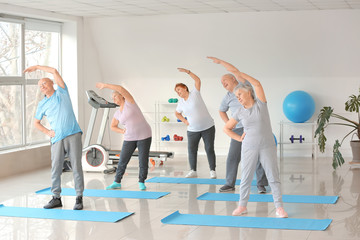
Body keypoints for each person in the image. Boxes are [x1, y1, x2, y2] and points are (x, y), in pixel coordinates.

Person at [208, 57, 288, 218]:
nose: (238, 97)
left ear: (249, 92)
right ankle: (242, 206)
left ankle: (279, 208)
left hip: (267, 146)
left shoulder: (261, 104)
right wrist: (239, 139)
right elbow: (226, 128)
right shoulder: (239, 112)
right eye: (236, 96)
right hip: (249, 146)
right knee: (245, 178)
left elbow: (257, 83)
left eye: (240, 94)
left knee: (273, 177)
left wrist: (235, 71)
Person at [24, 65, 84, 210]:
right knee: (56, 168)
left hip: (73, 134)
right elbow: (36, 123)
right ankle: (56, 197)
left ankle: (79, 197)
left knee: (76, 166)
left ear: (52, 83)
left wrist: (38, 67)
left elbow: (54, 71)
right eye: (40, 86)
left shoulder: (62, 93)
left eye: (44, 83)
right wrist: (48, 132)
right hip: (57, 138)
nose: (42, 86)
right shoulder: (42, 104)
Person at [96, 82, 152, 191]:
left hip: (144, 135)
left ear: (121, 96)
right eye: (112, 97)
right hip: (129, 137)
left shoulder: (130, 103)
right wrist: (121, 131)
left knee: (143, 160)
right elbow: (113, 126)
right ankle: (117, 181)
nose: (114, 98)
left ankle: (141, 181)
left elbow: (121, 88)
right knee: (122, 160)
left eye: (115, 96)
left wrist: (105, 86)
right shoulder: (117, 113)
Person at [218, 73, 269, 193]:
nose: (223, 83)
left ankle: (261, 184)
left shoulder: (245, 87)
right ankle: (229, 184)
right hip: (238, 129)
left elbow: (236, 71)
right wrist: (230, 123)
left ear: (233, 78)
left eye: (224, 80)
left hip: (253, 127)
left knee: (257, 156)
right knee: (233, 157)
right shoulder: (227, 97)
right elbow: (221, 111)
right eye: (221, 82)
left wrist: (221, 62)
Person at [175, 68, 216, 179]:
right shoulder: (181, 103)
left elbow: (197, 80)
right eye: (176, 91)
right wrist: (184, 121)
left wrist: (188, 72)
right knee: (192, 150)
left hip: (208, 127)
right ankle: (193, 170)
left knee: (209, 148)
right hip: (193, 130)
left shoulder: (195, 93)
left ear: (185, 88)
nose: (178, 92)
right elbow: (177, 113)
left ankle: (212, 170)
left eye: (179, 89)